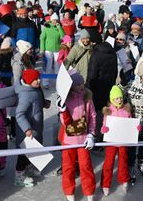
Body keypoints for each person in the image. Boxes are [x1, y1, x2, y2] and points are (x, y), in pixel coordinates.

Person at [57, 69, 97, 201]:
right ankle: (69, 191)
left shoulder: (87, 97)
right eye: (78, 84)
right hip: (68, 140)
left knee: (86, 166)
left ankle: (89, 191)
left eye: (82, 84)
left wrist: (91, 134)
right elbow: (65, 122)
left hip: (83, 139)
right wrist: (62, 110)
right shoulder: (66, 99)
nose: (81, 86)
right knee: (68, 167)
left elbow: (92, 116)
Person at [14, 69, 50, 187]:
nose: (39, 81)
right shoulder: (26, 94)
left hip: (35, 127)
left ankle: (29, 168)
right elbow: (20, 114)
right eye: (36, 79)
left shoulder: (35, 89)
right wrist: (26, 128)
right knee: (23, 154)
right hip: (27, 131)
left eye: (39, 78)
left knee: (33, 151)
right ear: (28, 81)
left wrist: (43, 103)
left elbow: (35, 103)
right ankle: (19, 176)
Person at [100, 86, 132, 195]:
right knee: (109, 162)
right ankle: (105, 183)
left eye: (121, 98)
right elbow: (104, 125)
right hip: (111, 142)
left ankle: (124, 180)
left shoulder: (126, 110)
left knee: (123, 161)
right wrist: (103, 129)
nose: (119, 100)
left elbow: (130, 124)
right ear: (112, 100)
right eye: (117, 98)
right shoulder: (108, 111)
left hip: (123, 141)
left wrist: (135, 128)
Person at [86, 39, 118, 141]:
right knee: (107, 111)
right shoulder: (113, 53)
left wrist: (89, 89)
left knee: (96, 113)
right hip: (109, 86)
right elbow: (115, 72)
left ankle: (97, 137)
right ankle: (105, 135)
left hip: (97, 88)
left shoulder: (96, 55)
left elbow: (92, 74)